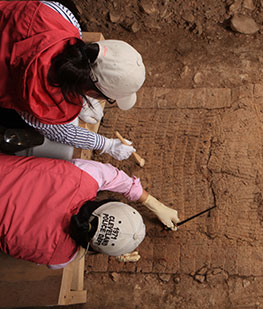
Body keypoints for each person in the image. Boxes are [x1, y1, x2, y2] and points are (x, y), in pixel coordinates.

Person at [0, 1, 146, 160]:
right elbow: (62, 133)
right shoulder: (44, 105)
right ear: (91, 92)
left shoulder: (65, 17)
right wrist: (106, 144)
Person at [0, 153, 180, 269]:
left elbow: (114, 177)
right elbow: (78, 249)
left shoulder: (84, 176)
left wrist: (155, 204)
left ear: (108, 201)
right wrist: (114, 248)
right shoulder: (58, 257)